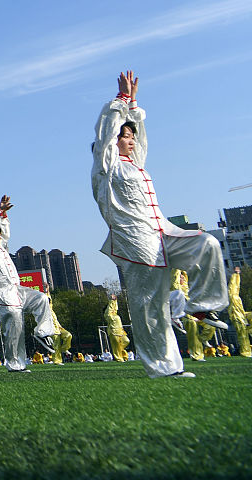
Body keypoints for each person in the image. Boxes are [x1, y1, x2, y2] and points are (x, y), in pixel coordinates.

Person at [91, 72, 228, 379]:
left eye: (132, 136)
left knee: (207, 243)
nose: (131, 139)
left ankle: (202, 304)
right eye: (125, 136)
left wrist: (135, 107)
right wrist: (120, 102)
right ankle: (164, 368)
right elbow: (105, 135)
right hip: (135, 241)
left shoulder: (136, 165)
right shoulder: (105, 166)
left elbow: (141, 137)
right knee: (150, 306)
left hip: (163, 232)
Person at [0, 196, 55, 372]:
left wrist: (3, 215)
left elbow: (6, 233)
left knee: (41, 298)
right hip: (2, 294)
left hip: (16, 289)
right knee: (14, 328)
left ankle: (42, 332)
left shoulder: (1, 248)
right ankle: (14, 363)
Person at [45, 293, 72, 365]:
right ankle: (57, 361)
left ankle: (64, 348)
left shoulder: (50, 308)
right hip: (52, 330)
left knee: (68, 335)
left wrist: (47, 290)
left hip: (59, 327)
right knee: (56, 346)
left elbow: (49, 299)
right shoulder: (43, 311)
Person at [230, 268, 250, 358]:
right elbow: (232, 286)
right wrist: (235, 275)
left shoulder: (237, 297)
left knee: (244, 335)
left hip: (242, 316)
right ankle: (245, 352)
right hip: (237, 317)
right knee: (242, 335)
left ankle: (247, 351)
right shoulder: (232, 296)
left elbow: (236, 286)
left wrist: (237, 275)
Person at [104, 294, 130, 362]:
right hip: (113, 332)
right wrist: (112, 301)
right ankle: (119, 359)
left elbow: (115, 308)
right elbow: (110, 310)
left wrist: (115, 301)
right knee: (115, 346)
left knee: (126, 341)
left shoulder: (115, 314)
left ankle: (121, 352)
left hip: (120, 331)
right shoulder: (108, 315)